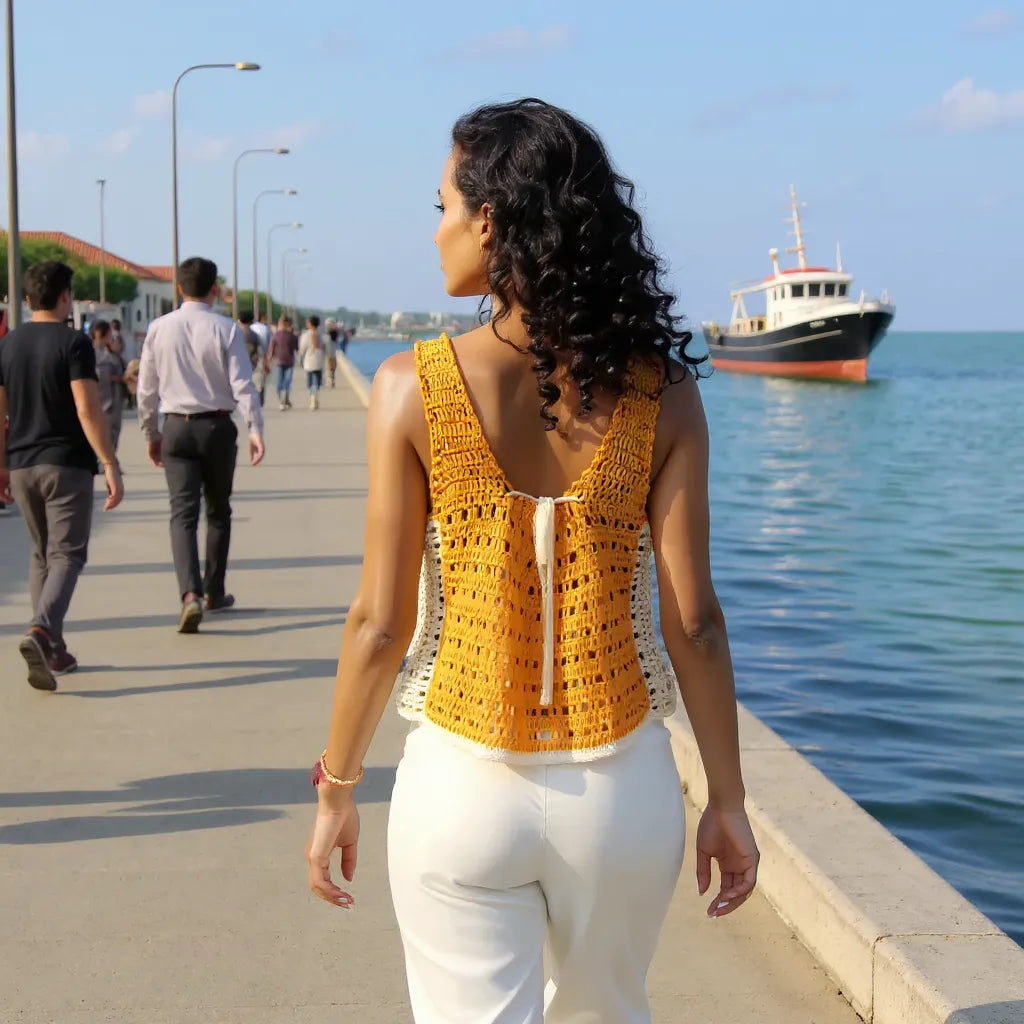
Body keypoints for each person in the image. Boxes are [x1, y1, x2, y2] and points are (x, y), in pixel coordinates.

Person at [305, 99, 759, 1023]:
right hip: (621, 791)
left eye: (440, 206)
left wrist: (337, 788)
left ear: (493, 221)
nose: (435, 232)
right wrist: (728, 799)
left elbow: (381, 623)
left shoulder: (411, 387)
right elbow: (696, 623)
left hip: (461, 788)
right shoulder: (661, 394)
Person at [0, 260, 124, 690]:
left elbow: (0, 411)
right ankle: (41, 630)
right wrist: (109, 463)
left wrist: (2, 463)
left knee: (42, 555)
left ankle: (53, 650)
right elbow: (87, 409)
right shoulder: (74, 344)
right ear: (66, 297)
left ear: (28, 297)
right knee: (68, 554)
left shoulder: (8, 344)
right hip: (65, 464)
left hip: (20, 464)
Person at [137, 257, 265, 634]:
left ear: (179, 288)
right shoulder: (226, 329)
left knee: (182, 514)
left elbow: (146, 388)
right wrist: (255, 428)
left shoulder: (158, 329)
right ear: (215, 290)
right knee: (219, 510)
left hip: (175, 426)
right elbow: (243, 384)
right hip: (217, 428)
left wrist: (151, 433)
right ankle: (214, 592)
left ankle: (189, 595)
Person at [91, 320, 124, 453]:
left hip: (114, 396)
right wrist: (118, 378)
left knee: (114, 429)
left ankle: (110, 458)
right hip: (103, 398)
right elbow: (99, 376)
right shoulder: (93, 353)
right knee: (104, 430)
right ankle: (103, 460)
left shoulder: (109, 352)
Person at [267, 316, 299, 411]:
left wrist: (269, 359)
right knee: (284, 382)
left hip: (283, 361)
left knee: (283, 382)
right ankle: (284, 400)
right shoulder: (288, 336)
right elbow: (272, 347)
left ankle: (283, 400)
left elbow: (271, 348)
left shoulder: (279, 335)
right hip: (284, 361)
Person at [299, 315, 329, 410]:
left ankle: (312, 399)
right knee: (316, 383)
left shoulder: (305, 335)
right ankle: (314, 398)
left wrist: (300, 358)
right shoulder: (321, 335)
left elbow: (302, 349)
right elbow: (325, 348)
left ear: (310, 324)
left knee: (310, 383)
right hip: (319, 362)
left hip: (309, 363)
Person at [238, 311, 267, 406]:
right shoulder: (254, 335)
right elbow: (261, 351)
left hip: (238, 366)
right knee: (256, 386)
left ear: (239, 320)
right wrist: (265, 364)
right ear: (251, 322)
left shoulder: (235, 334)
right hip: (253, 365)